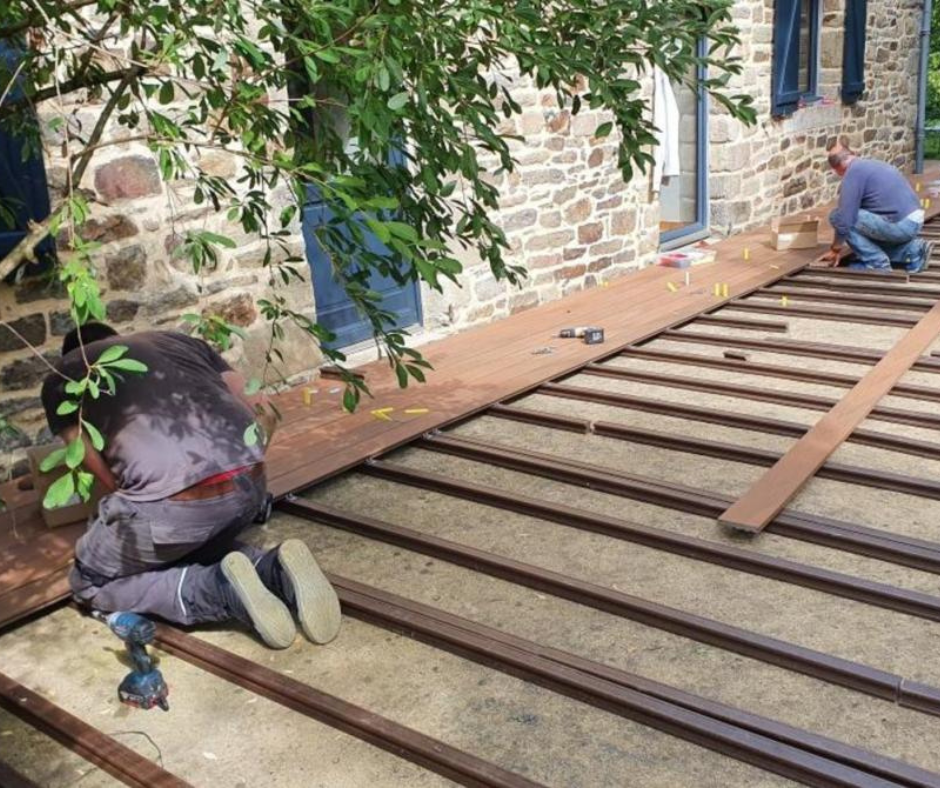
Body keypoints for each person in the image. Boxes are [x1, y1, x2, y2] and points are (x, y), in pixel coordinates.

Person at [40, 322, 341, 649]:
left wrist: (134, 499)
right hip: (250, 488)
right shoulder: (181, 342)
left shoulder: (63, 376)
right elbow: (266, 412)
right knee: (190, 539)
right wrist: (242, 466)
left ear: (73, 353)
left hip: (176, 512)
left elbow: (86, 456)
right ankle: (272, 569)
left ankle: (216, 589)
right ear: (117, 337)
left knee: (89, 581)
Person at [819, 142, 934, 273]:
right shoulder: (872, 165)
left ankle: (876, 263)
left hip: (901, 224)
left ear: (837, 169)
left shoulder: (853, 173)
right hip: (914, 221)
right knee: (866, 230)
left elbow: (845, 219)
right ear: (853, 154)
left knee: (837, 217)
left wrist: (835, 249)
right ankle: (913, 251)